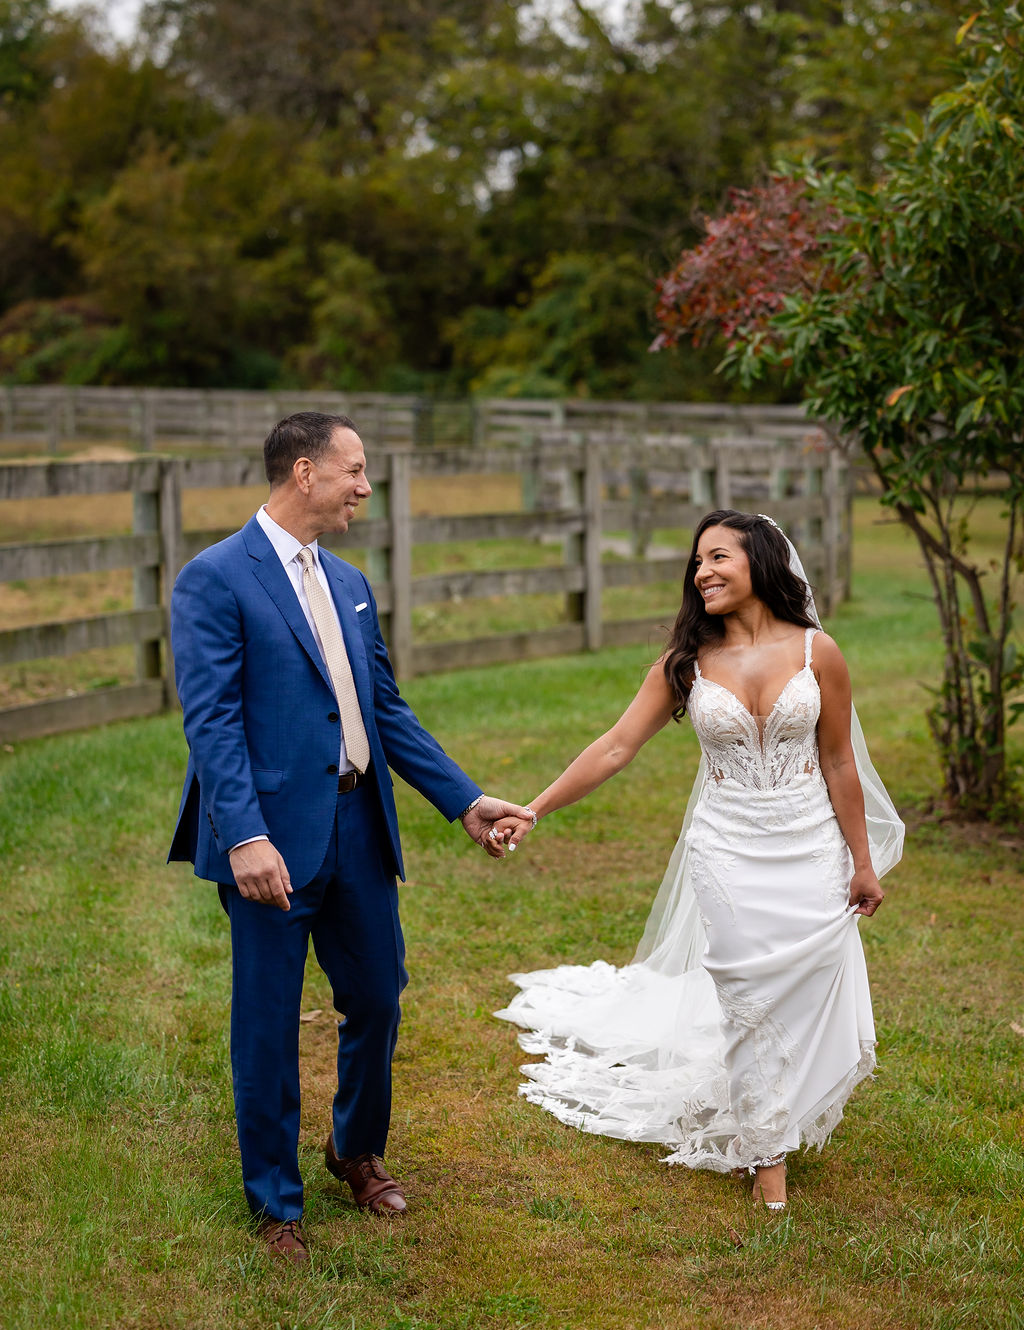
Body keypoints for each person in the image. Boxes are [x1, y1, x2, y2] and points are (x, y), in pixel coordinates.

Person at [168, 411, 532, 1265]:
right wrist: (246, 835)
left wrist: (464, 800)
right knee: (266, 1021)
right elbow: (212, 723)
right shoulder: (214, 578)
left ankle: (353, 1150)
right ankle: (274, 1204)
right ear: (304, 472)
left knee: (376, 998)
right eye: (354, 470)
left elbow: (386, 711)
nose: (365, 486)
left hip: (359, 824)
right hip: (270, 842)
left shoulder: (352, 581)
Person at [494, 510, 904, 1211]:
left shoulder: (818, 653)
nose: (703, 572)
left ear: (763, 563)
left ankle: (778, 1109)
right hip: (727, 850)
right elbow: (616, 745)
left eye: (719, 557)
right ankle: (766, 1153)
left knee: (801, 995)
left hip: (809, 847)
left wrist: (862, 863)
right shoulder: (686, 663)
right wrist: (534, 807)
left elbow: (838, 761)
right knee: (745, 993)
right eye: (697, 562)